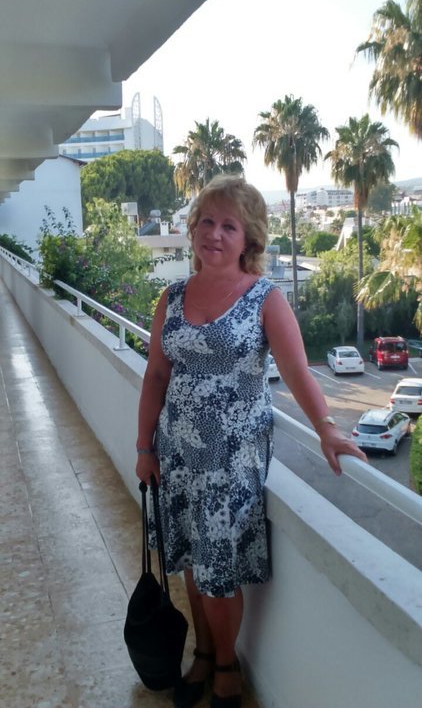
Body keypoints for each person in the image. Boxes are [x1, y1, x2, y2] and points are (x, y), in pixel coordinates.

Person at [135, 174, 367, 708]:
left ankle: (226, 664)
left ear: (249, 239)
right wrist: (145, 448)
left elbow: (298, 370)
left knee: (219, 574)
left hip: (232, 460)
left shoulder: (265, 297)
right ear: (193, 229)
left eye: (229, 226)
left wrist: (326, 427)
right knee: (191, 562)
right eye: (206, 221)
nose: (214, 234)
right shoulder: (171, 297)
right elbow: (156, 375)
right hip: (176, 453)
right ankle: (201, 653)